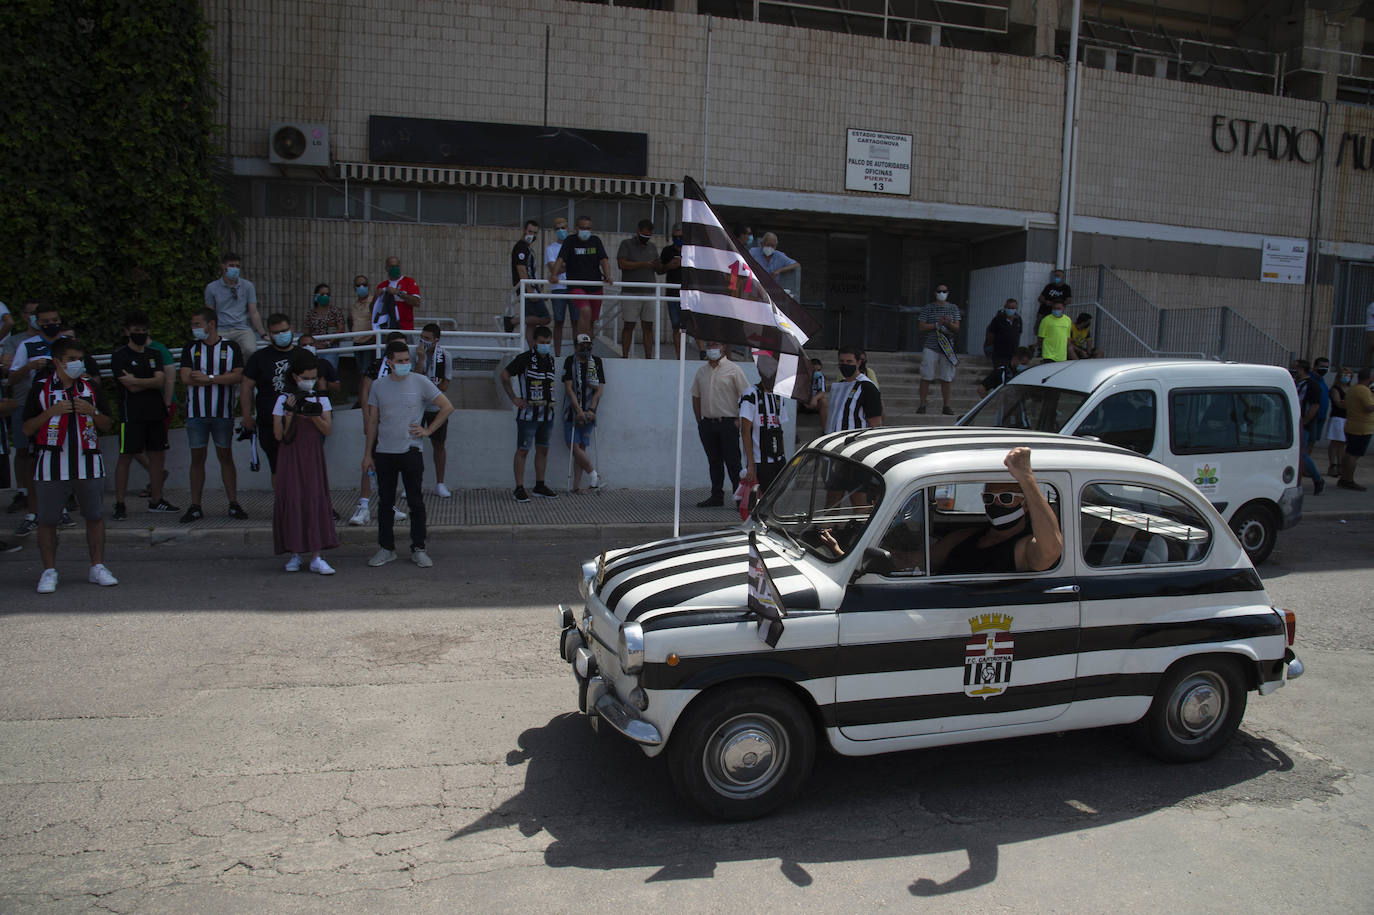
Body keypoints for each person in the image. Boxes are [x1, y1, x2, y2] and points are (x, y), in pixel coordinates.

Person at [22, 338, 117, 593]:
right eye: (71, 359)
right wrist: (50, 413)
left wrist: (91, 411)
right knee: (47, 520)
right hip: (50, 463)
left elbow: (107, 424)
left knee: (94, 516)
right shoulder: (40, 389)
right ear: (57, 362)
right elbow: (26, 428)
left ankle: (97, 566)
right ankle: (49, 571)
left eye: (80, 359)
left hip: (89, 462)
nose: (78, 364)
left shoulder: (91, 387)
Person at [362, 339, 454, 567]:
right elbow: (373, 421)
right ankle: (386, 548)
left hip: (410, 450)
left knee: (415, 501)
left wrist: (428, 430)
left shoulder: (420, 381)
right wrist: (368, 454)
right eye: (400, 361)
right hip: (384, 451)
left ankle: (419, 548)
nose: (404, 364)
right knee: (385, 502)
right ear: (389, 362)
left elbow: (446, 406)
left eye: (407, 360)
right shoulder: (378, 386)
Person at [931, 447, 1063, 575]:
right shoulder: (963, 537)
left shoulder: (1022, 548)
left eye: (1006, 498)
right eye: (989, 498)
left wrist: (1026, 478)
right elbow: (924, 560)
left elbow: (1050, 551)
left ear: (1026, 504)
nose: (996, 503)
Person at [273, 350, 337, 575]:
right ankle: (295, 553)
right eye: (305, 377)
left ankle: (317, 556)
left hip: (312, 455)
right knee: (293, 498)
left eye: (313, 377)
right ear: (295, 376)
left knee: (314, 499)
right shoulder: (283, 399)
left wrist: (312, 415)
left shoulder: (321, 399)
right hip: (290, 455)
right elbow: (279, 435)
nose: (309, 381)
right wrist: (290, 413)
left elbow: (327, 430)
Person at [179, 309, 247, 522]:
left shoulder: (231, 347)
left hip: (223, 412)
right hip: (196, 413)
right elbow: (185, 378)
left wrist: (208, 378)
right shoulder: (190, 347)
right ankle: (195, 505)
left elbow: (238, 376)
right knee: (197, 459)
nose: (194, 328)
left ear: (211, 324)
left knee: (225, 457)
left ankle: (233, 503)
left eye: (197, 324)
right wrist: (221, 378)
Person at [8, 303, 67, 535]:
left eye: (55, 320)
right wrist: (30, 366)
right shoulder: (27, 345)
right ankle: (33, 512)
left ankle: (61, 508)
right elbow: (12, 378)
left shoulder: (67, 344)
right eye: (46, 321)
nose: (51, 324)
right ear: (37, 322)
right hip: (36, 410)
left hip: (64, 409)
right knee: (34, 460)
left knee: (61, 459)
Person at [111, 312, 178, 519]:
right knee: (126, 456)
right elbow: (129, 387)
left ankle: (156, 500)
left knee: (158, 456)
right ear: (127, 332)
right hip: (131, 414)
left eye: (143, 330)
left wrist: (137, 381)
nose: (140, 334)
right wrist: (147, 382)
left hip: (155, 412)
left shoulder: (154, 354)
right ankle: (120, 504)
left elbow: (160, 381)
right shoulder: (120, 355)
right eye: (136, 330)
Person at [348, 331, 412, 526]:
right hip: (377, 423)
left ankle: (388, 505)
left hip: (396, 426)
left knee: (391, 468)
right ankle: (363, 505)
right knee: (369, 461)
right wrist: (366, 418)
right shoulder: (377, 366)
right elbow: (365, 391)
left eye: (403, 347)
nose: (400, 351)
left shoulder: (407, 370)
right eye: (396, 347)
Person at [240, 313, 301, 481]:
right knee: (277, 468)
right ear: (269, 333)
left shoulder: (303, 355)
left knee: (300, 467)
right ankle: (281, 498)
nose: (281, 335)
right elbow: (246, 387)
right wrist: (246, 416)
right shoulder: (259, 358)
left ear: (291, 329)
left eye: (284, 330)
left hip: (299, 420)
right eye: (276, 332)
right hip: (269, 422)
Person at [502, 325, 559, 502]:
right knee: (523, 450)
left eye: (548, 342)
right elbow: (505, 375)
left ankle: (540, 485)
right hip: (528, 415)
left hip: (547, 413)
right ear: (534, 341)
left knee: (543, 449)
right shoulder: (525, 358)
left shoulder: (550, 360)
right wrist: (514, 398)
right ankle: (519, 488)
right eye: (542, 342)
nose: (545, 345)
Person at [691, 341, 751, 507]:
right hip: (707, 424)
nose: (712, 348)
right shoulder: (701, 371)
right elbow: (695, 395)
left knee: (733, 462)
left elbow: (746, 396)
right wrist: (699, 421)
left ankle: (740, 498)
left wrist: (739, 420)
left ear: (723, 347)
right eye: (709, 345)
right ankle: (716, 496)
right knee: (714, 461)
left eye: (715, 345)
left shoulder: (734, 369)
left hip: (728, 423)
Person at [551, 216, 614, 340]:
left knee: (591, 320)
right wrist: (554, 274)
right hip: (576, 285)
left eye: (588, 228)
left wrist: (608, 276)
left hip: (595, 286)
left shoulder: (595, 241)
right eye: (583, 228)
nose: (585, 230)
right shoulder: (570, 241)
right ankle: (581, 342)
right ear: (576, 228)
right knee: (585, 310)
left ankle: (587, 346)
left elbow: (604, 260)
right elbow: (560, 258)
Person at [739, 351, 788, 506]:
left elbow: (779, 429)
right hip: (760, 461)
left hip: (778, 458)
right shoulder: (751, 395)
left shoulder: (778, 396)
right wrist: (750, 464)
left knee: (776, 501)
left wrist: (783, 457)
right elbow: (745, 431)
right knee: (761, 502)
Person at [563, 333, 605, 494]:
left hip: (590, 412)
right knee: (573, 446)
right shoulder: (570, 361)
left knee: (581, 447)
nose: (585, 349)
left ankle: (576, 486)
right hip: (571, 411)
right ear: (576, 347)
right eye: (582, 346)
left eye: (588, 346)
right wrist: (578, 410)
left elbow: (599, 390)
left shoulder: (596, 362)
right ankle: (594, 475)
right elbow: (569, 389)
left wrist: (591, 410)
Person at [415, 323, 453, 497]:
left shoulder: (445, 356)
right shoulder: (413, 353)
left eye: (427, 338)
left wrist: (427, 386)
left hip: (435, 406)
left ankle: (440, 484)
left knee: (439, 444)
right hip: (416, 406)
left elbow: (445, 385)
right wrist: (421, 360)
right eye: (422, 337)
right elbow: (412, 381)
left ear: (436, 340)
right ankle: (412, 484)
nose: (423, 341)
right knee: (412, 446)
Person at [204, 253, 266, 357]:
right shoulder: (211, 288)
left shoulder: (248, 286)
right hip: (221, 329)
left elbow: (254, 312)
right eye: (231, 265)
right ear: (223, 266)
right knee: (217, 354)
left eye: (237, 266)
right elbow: (210, 312)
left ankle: (245, 368)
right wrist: (210, 331)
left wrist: (263, 334)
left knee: (250, 350)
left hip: (242, 328)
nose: (235, 268)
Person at [616, 219, 661, 359]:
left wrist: (665, 264)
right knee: (629, 325)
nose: (647, 238)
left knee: (648, 327)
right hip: (630, 292)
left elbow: (658, 268)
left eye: (649, 235)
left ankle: (649, 358)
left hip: (649, 292)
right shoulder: (626, 244)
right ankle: (624, 357)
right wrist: (643, 264)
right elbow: (622, 264)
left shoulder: (652, 247)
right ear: (638, 231)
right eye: (645, 235)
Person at [917, 284, 960, 415]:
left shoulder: (953, 308)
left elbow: (957, 328)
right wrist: (937, 324)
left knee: (947, 377)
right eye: (939, 291)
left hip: (947, 348)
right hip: (931, 346)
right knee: (926, 375)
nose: (942, 293)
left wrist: (948, 323)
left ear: (948, 293)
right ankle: (922, 404)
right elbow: (921, 326)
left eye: (944, 291)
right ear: (935, 293)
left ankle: (946, 405)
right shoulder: (928, 308)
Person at [823, 345, 884, 433]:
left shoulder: (867, 387)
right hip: (834, 437)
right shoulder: (839, 385)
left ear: (858, 363)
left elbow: (875, 423)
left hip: (854, 438)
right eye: (842, 361)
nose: (845, 365)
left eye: (849, 361)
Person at [512, 219, 550, 347]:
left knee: (531, 324)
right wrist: (530, 291)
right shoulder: (521, 247)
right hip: (528, 290)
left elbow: (531, 271)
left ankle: (532, 351)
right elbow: (521, 270)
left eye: (534, 233)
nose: (532, 235)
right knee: (546, 318)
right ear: (524, 230)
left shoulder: (527, 248)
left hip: (532, 289)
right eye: (530, 231)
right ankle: (514, 321)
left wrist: (538, 291)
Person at [1292, 360, 1326, 495]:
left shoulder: (1312, 385)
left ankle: (1318, 479)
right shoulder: (1296, 383)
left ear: (1301, 369)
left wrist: (1305, 421)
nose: (1293, 371)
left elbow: (1314, 406)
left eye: (1295, 369)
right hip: (1293, 423)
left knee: (1301, 453)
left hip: (1304, 424)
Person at [1339, 367, 1374, 491]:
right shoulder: (1363, 390)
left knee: (1349, 453)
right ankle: (1348, 480)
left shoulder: (1352, 389)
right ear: (1369, 378)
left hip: (1352, 425)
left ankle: (1344, 477)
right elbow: (1369, 407)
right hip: (1361, 428)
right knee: (1354, 455)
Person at [545, 217, 574, 356]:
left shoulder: (573, 246)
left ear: (568, 229)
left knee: (576, 321)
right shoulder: (550, 249)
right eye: (558, 228)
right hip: (558, 288)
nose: (561, 231)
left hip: (574, 287)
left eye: (563, 228)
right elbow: (553, 270)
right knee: (559, 321)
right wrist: (570, 265)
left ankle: (577, 353)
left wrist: (560, 266)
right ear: (554, 231)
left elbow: (557, 267)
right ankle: (557, 354)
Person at [370, 255, 421, 331]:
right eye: (391, 266)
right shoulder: (382, 285)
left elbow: (417, 302)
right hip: (387, 328)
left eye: (396, 266)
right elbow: (372, 309)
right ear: (386, 268)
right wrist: (376, 297)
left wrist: (398, 293)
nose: (394, 268)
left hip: (405, 328)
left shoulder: (409, 282)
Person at [304, 283, 347, 373]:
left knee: (329, 372)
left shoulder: (335, 311)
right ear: (316, 296)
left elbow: (341, 329)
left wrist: (328, 342)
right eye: (323, 294)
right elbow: (306, 331)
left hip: (331, 348)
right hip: (314, 348)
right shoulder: (310, 313)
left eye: (328, 294)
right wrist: (313, 344)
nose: (325, 296)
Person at [660, 223, 684, 357]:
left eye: (681, 237)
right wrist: (670, 265)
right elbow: (660, 269)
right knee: (676, 325)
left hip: (688, 294)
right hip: (672, 293)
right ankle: (679, 356)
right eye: (676, 237)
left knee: (693, 325)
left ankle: (701, 352)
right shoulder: (667, 251)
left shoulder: (691, 251)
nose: (678, 239)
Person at [348, 273, 376, 382]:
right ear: (354, 288)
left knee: (367, 372)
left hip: (369, 341)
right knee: (360, 372)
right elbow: (351, 321)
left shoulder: (374, 302)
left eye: (364, 284)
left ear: (368, 286)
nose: (361, 287)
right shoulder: (354, 305)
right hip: (357, 342)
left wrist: (373, 338)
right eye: (358, 285)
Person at [296, 335, 342, 399]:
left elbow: (337, 388)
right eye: (304, 345)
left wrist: (323, 382)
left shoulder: (324, 363)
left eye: (311, 344)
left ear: (315, 346)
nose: (308, 347)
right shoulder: (294, 364)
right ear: (299, 347)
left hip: (321, 398)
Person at [1328, 366, 1352, 477]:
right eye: (1344, 375)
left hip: (1347, 418)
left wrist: (1346, 403)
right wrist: (1348, 403)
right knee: (1335, 442)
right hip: (1337, 418)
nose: (1346, 377)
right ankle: (1332, 464)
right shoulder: (1335, 389)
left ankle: (1340, 465)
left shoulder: (1350, 389)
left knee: (1343, 443)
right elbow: (1338, 403)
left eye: (1348, 375)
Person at [984, 299, 1023, 365]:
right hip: (999, 353)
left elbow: (1019, 333)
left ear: (1016, 308)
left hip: (1012, 352)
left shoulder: (1018, 320)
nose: (1010, 310)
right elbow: (990, 334)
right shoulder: (998, 319)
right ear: (1005, 307)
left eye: (1013, 308)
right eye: (1009, 308)